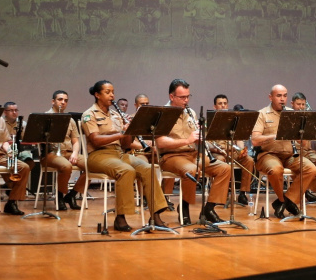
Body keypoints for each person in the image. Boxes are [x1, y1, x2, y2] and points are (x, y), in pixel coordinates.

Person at [82, 80, 170, 232]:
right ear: (97, 95)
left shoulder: (116, 115)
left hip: (118, 153)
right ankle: (120, 217)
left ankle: (155, 215)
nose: (112, 95)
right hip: (98, 155)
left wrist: (130, 130)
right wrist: (120, 133)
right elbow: (95, 140)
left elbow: (125, 145)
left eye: (113, 92)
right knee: (126, 170)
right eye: (107, 92)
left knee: (148, 168)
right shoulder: (89, 114)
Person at [156, 80, 232, 225]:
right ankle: (184, 207)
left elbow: (194, 138)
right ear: (172, 97)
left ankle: (209, 208)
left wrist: (199, 136)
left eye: (188, 96)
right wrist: (187, 140)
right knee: (192, 170)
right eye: (182, 97)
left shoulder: (190, 112)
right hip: (171, 156)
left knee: (224, 168)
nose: (186, 100)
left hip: (192, 154)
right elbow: (161, 143)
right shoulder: (162, 113)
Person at [251, 85, 316, 218]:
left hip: (289, 155)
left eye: (285, 96)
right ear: (270, 97)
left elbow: (303, 143)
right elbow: (255, 140)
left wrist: (303, 134)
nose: (282, 99)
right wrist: (273, 136)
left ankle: (286, 201)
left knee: (311, 168)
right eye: (279, 96)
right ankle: (282, 200)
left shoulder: (292, 113)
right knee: (276, 169)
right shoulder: (262, 114)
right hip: (268, 154)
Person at [39, 90, 85, 211]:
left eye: (65, 100)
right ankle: (59, 196)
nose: (63, 102)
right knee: (66, 166)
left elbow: (75, 141)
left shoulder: (70, 120)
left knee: (92, 165)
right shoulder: (45, 117)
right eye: (60, 99)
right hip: (50, 154)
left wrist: (75, 153)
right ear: (53, 101)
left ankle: (72, 195)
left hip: (68, 152)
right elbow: (38, 139)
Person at [212, 94, 256, 206]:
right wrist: (219, 149)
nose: (223, 106)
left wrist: (242, 151)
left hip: (233, 151)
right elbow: (209, 144)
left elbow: (239, 141)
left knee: (249, 160)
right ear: (215, 106)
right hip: (218, 152)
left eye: (225, 103)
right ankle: (223, 193)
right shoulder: (211, 121)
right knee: (221, 160)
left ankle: (242, 193)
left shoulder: (234, 121)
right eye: (220, 104)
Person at [290, 93, 316, 203]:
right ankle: (301, 192)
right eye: (298, 104)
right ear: (292, 104)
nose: (301, 107)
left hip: (308, 151)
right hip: (293, 152)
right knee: (302, 168)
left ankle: (305, 189)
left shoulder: (308, 117)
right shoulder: (288, 117)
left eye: (303, 104)